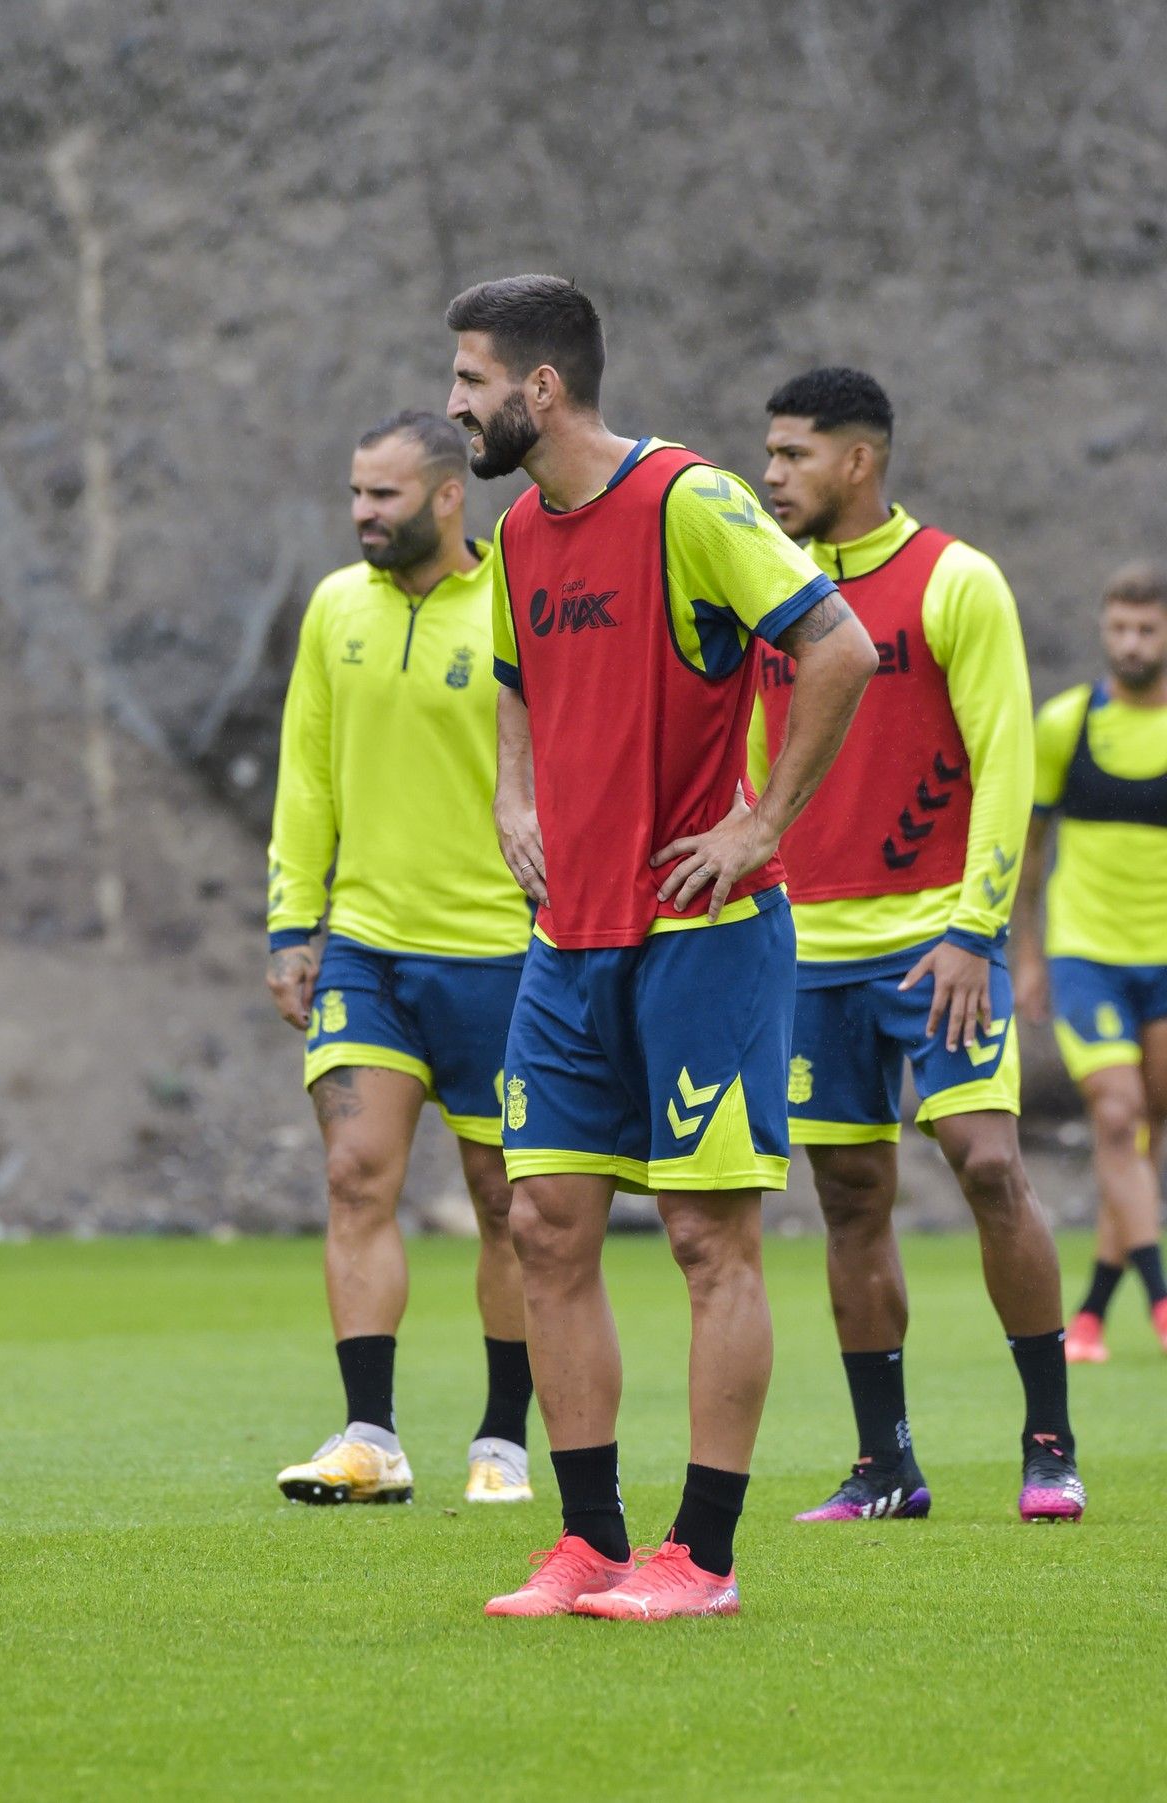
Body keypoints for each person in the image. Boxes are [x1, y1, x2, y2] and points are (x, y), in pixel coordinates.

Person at [445, 276, 878, 1619]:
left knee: (706, 1238)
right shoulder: (518, 532)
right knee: (546, 1222)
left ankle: (702, 1554)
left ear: (542, 389)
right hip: (570, 942)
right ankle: (586, 1540)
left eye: (470, 381)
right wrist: (515, 797)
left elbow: (839, 645)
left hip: (705, 939)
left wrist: (760, 822)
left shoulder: (689, 502)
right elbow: (516, 673)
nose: (454, 404)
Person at [751, 366, 1086, 1524]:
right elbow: (751, 760)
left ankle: (1050, 1442)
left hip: (939, 938)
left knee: (989, 1164)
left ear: (858, 461)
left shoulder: (954, 578)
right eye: (770, 452)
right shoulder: (768, 592)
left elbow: (1008, 764)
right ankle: (884, 1464)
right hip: (805, 952)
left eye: (794, 454)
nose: (772, 473)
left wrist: (972, 929)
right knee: (848, 1199)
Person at [267, 410, 535, 1507]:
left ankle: (503, 1440)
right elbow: (308, 776)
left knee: (506, 1203)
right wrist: (294, 922)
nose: (362, 516)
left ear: (445, 496)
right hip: (370, 949)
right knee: (354, 1176)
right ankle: (369, 1438)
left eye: (382, 496)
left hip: (505, 954)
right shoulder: (337, 609)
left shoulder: (520, 599)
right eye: (353, 495)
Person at [1012, 560, 1167, 1362]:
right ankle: (1162, 1299)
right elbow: (1030, 854)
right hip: (1086, 955)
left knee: (1142, 1135)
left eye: (1147, 627)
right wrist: (1028, 954)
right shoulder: (1066, 723)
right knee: (1116, 1115)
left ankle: (1094, 1313)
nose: (1131, 642)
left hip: (1163, 959)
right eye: (1120, 627)